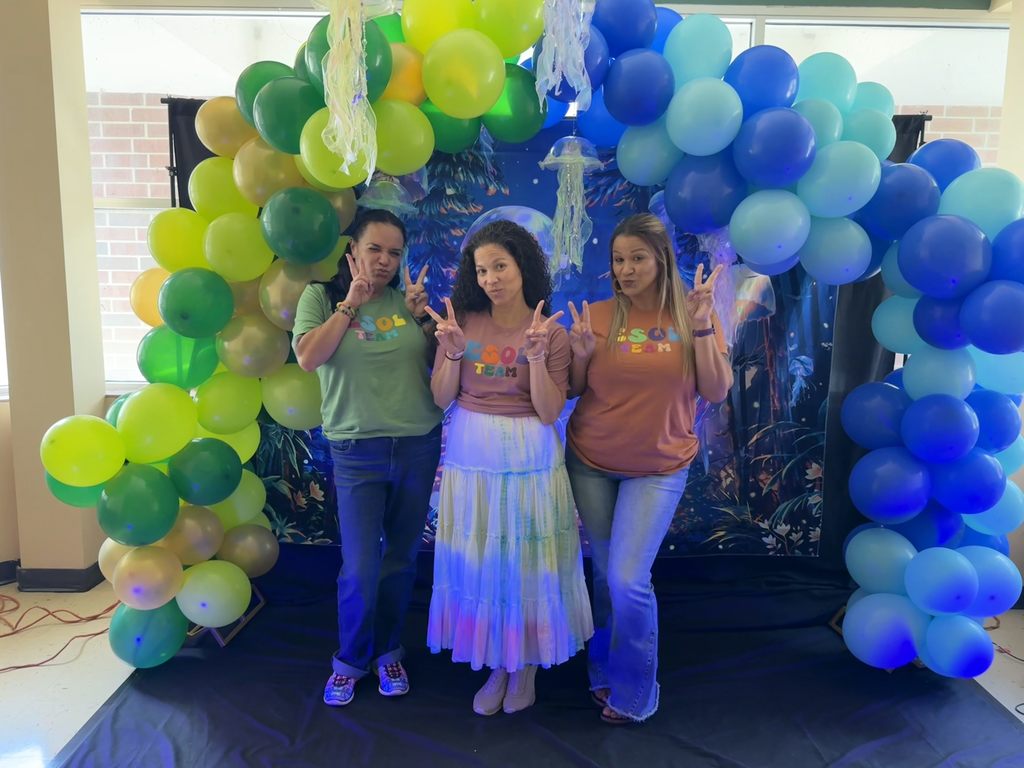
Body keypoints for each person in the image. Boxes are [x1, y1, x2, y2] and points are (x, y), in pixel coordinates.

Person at [564, 213, 733, 725]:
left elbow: (716, 389)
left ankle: (637, 693)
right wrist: (579, 354)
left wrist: (702, 324)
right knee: (604, 572)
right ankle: (604, 670)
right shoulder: (596, 315)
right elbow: (574, 389)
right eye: (618, 259)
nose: (626, 268)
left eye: (637, 257)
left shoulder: (693, 313)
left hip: (658, 467)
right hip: (591, 462)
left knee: (628, 578)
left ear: (661, 260)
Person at [424, 219, 593, 716]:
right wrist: (452, 351)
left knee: (524, 559)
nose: (492, 277)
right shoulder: (464, 322)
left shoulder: (551, 331)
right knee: (483, 559)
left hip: (529, 454)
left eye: (500, 265)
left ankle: (526, 665)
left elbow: (547, 412)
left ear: (523, 266)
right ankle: (497, 659)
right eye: (482, 269)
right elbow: (439, 398)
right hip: (471, 451)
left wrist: (538, 357)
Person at [293, 208, 442, 708]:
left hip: (417, 444)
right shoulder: (321, 296)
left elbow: (430, 371)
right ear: (352, 249)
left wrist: (424, 323)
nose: (384, 261)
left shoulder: (407, 301)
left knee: (400, 561)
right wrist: (350, 305)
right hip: (356, 450)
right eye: (375, 249)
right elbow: (309, 357)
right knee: (359, 566)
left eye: (394, 253)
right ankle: (351, 660)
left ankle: (388, 652)